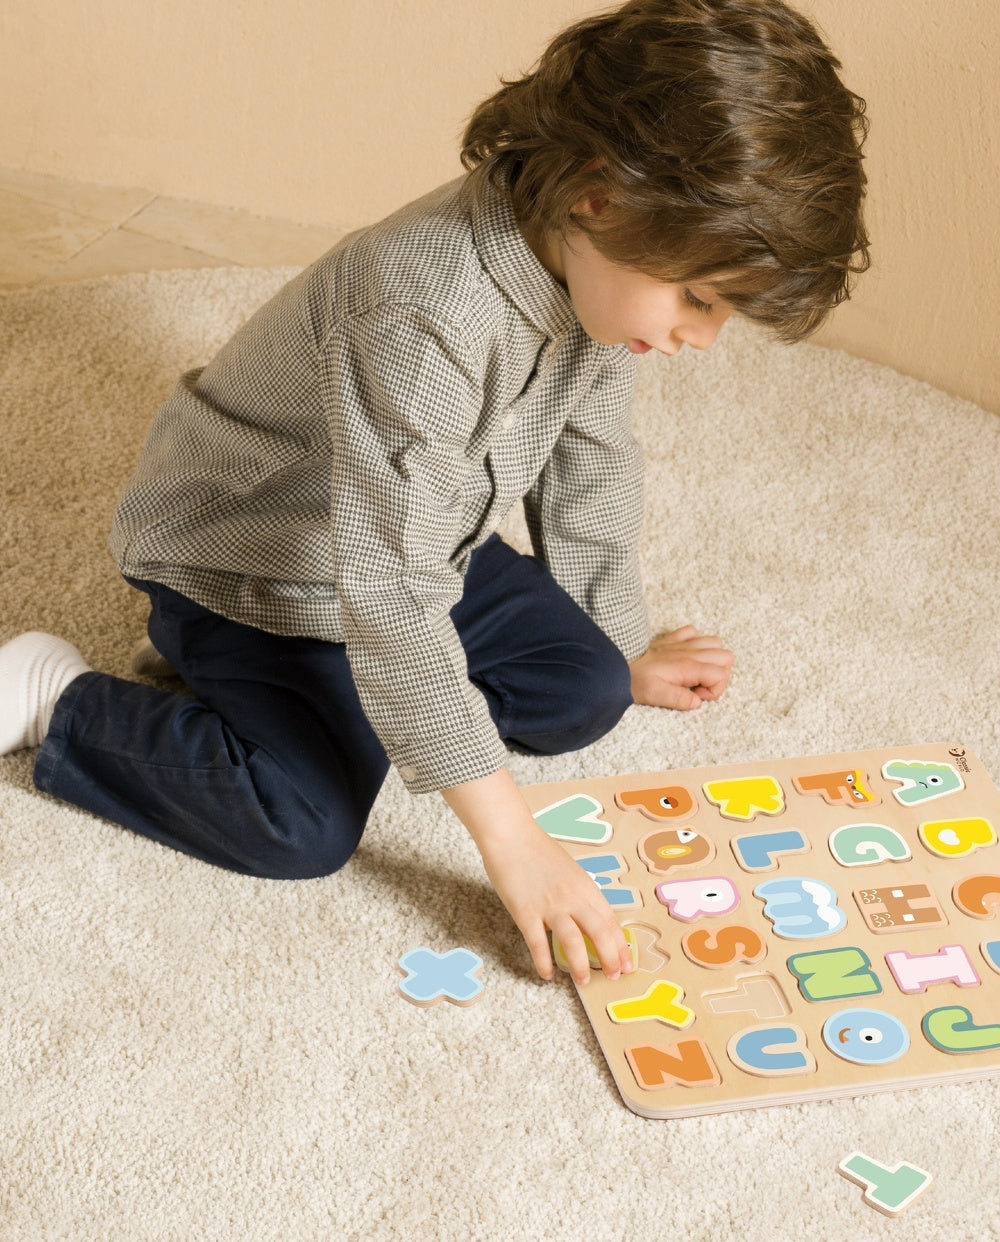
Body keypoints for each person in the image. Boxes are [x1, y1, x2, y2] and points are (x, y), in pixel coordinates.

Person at [0, 0, 869, 986]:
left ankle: (385, 700)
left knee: (586, 688)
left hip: (422, 538)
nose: (698, 339)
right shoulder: (423, 308)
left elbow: (594, 460)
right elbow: (390, 591)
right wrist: (511, 839)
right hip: (250, 565)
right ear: (599, 194)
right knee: (302, 823)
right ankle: (57, 697)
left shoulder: (587, 266)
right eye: (698, 300)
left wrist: (621, 636)